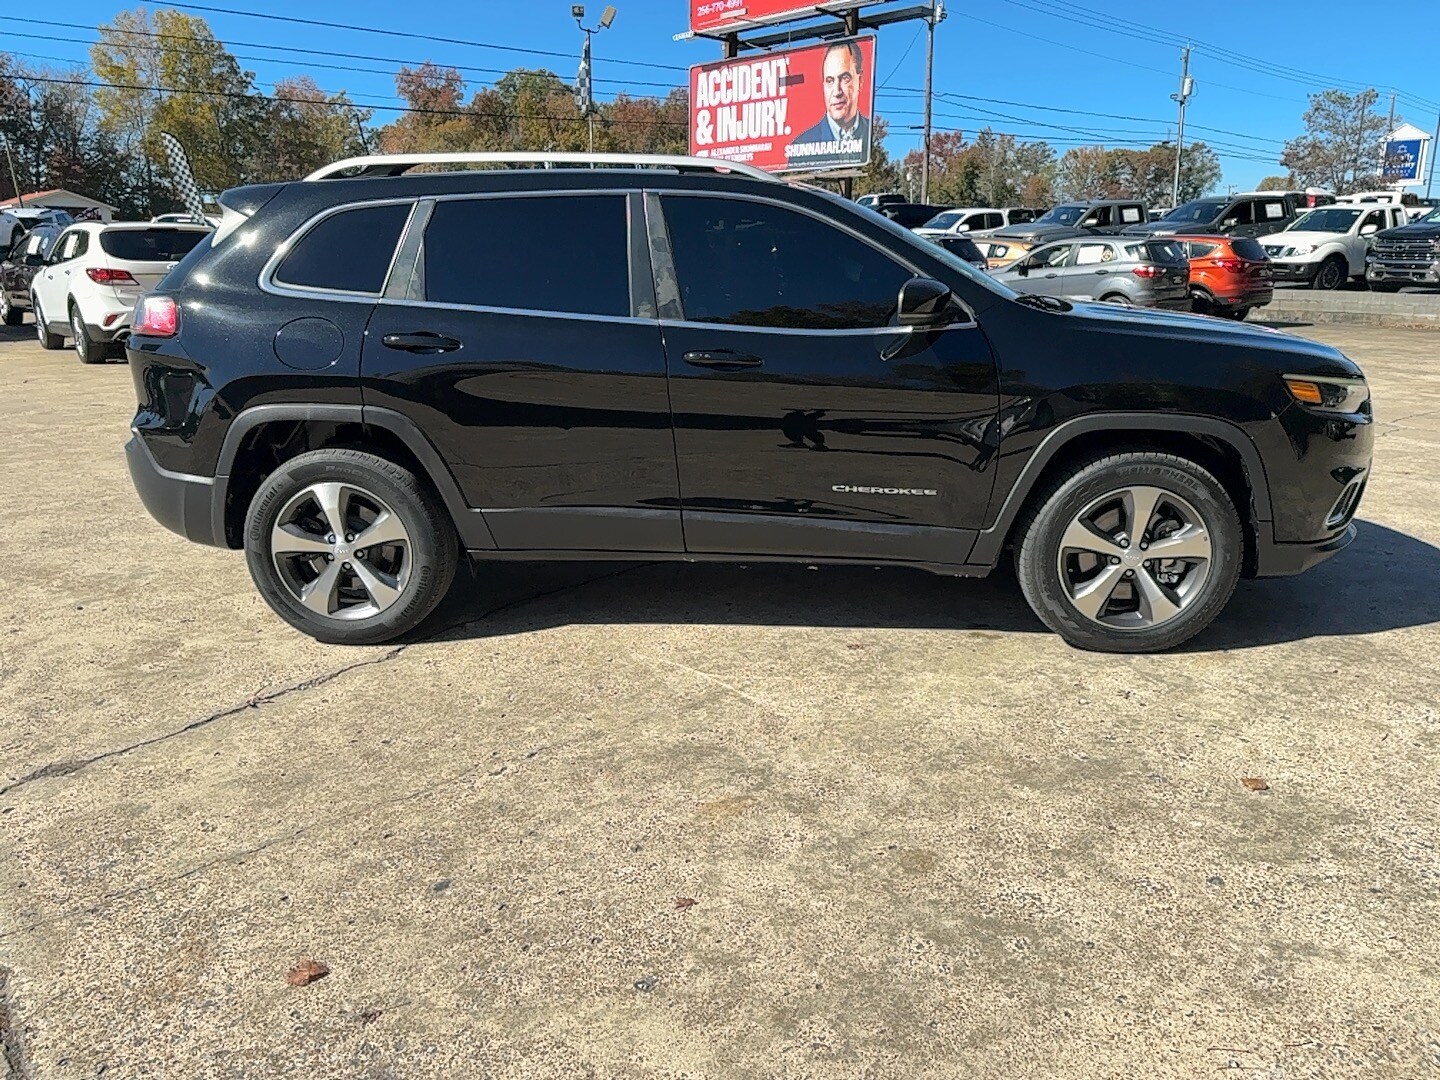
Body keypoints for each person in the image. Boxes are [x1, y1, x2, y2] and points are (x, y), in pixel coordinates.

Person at [788, 41, 871, 162]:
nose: (837, 92)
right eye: (830, 81)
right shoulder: (801, 145)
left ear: (860, 80)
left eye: (844, 78)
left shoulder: (873, 136)